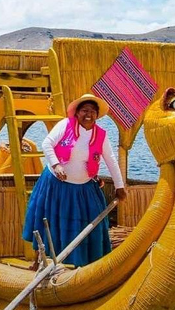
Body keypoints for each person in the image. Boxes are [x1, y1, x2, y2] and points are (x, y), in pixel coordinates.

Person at [22, 94, 127, 268]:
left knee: (86, 226)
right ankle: (39, 261)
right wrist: (56, 165)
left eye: (93, 111)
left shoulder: (100, 135)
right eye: (85, 110)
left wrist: (119, 186)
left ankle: (83, 265)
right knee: (49, 221)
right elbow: (47, 144)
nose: (89, 114)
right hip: (56, 186)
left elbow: (111, 160)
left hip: (83, 190)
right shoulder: (65, 125)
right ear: (77, 113)